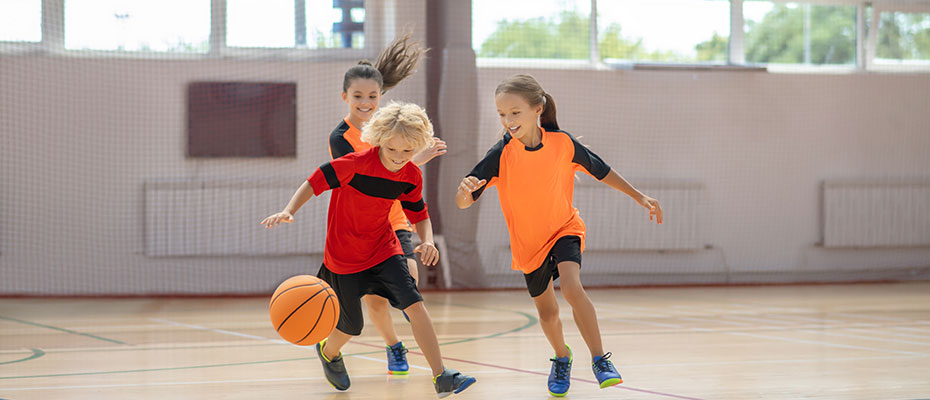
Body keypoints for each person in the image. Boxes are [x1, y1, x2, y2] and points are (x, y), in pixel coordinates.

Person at [455, 74, 662, 397]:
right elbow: (464, 202)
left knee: (571, 286)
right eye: (501, 114)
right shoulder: (501, 154)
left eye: (514, 112)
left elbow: (602, 170)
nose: (508, 121)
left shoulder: (563, 144)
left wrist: (640, 197)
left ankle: (599, 359)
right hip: (528, 245)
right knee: (548, 314)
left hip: (564, 228)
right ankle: (562, 358)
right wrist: (464, 192)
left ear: (538, 109)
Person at [262, 102, 476, 397]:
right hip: (343, 259)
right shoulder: (353, 164)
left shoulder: (411, 175)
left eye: (408, 152)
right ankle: (328, 352)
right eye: (393, 150)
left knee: (415, 305)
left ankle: (441, 375)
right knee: (350, 328)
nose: (400, 158)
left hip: (383, 250)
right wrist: (289, 210)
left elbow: (419, 213)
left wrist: (426, 240)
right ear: (379, 140)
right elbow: (313, 182)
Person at [330, 31, 446, 375]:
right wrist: (417, 159)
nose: (365, 102)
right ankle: (394, 346)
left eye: (372, 96)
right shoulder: (341, 138)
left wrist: (413, 152)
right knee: (376, 303)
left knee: (408, 280)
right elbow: (371, 176)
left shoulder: (393, 127)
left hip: (392, 217)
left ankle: (426, 362)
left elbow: (398, 173)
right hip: (358, 224)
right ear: (346, 97)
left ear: (381, 97)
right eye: (358, 96)